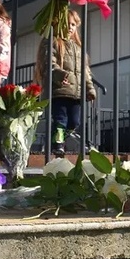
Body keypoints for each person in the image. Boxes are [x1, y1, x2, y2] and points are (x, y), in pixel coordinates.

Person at [35, 9, 96, 156]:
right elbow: (49, 63)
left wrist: (90, 89)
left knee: (75, 122)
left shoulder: (78, 48)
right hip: (60, 90)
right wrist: (59, 74)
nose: (70, 27)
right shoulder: (53, 42)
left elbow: (85, 71)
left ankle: (57, 137)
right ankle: (58, 144)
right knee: (60, 119)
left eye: (73, 24)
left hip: (76, 92)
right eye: (67, 23)